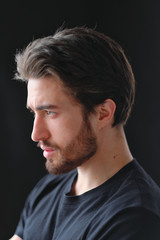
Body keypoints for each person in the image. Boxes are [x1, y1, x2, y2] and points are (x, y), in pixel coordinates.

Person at [10, 26, 160, 240]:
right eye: (34, 113)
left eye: (50, 112)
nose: (36, 134)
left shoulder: (135, 218)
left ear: (103, 114)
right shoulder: (47, 190)